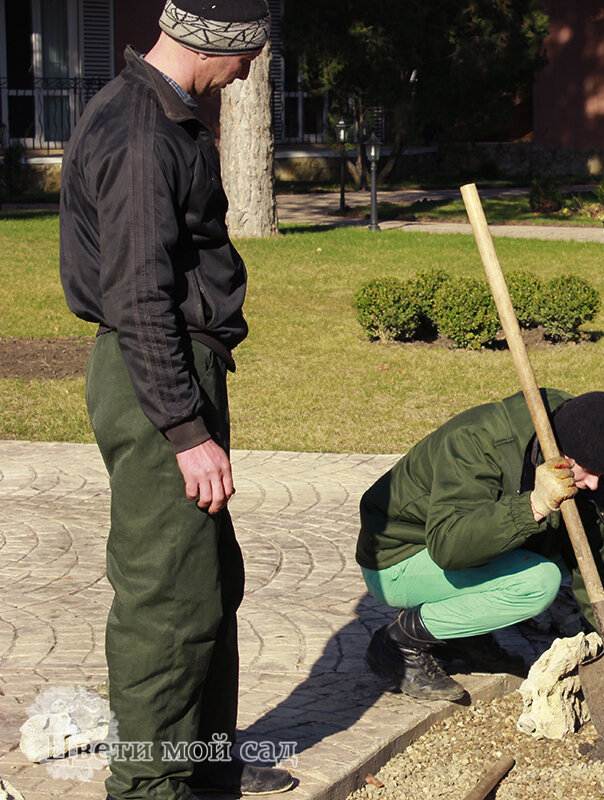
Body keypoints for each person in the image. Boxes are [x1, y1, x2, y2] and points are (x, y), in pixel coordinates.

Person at [58, 2, 294, 798]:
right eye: (251, 52)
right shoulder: (141, 132)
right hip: (154, 378)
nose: (252, 69)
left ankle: (204, 771)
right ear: (219, 42)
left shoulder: (154, 114)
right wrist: (185, 427)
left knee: (208, 585)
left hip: (173, 374)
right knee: (168, 603)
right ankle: (149, 787)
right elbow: (136, 296)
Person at [356, 389, 604, 700]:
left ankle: (462, 636)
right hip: (397, 556)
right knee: (538, 582)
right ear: (564, 455)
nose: (593, 483)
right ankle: (398, 644)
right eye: (588, 472)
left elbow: (602, 566)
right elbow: (449, 546)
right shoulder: (478, 441)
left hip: (450, 550)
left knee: (572, 549)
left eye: (601, 475)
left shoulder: (576, 440)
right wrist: (533, 506)